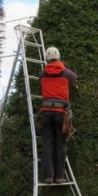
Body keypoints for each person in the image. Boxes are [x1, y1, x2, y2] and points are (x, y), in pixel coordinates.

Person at [39, 46, 77, 184]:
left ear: (46, 58)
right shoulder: (66, 72)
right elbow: (75, 77)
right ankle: (59, 176)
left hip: (46, 112)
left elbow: (43, 76)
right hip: (61, 113)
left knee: (47, 144)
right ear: (59, 56)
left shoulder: (42, 73)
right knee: (61, 144)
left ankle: (49, 176)